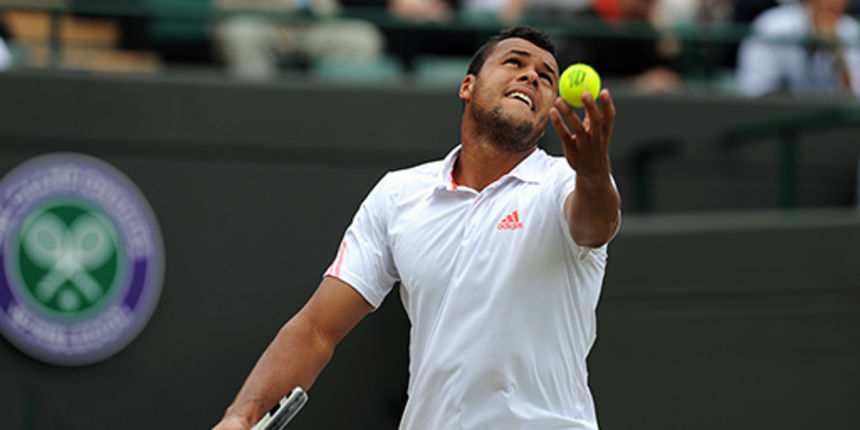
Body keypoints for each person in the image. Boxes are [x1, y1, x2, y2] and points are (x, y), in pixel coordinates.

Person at [212, 25, 621, 430]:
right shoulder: (399, 194)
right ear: (467, 86)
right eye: (514, 62)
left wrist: (594, 174)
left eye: (547, 77)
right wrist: (240, 417)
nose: (532, 76)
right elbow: (317, 328)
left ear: (550, 108)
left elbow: (595, 224)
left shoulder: (568, 181)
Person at [213, 0, 384, 79]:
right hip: (258, 21)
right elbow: (225, 7)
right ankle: (255, 112)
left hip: (307, 25)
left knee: (360, 37)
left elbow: (328, 10)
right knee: (240, 33)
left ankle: (336, 118)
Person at [736, 0, 860, 98]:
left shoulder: (850, 31)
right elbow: (756, 90)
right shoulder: (771, 26)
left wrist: (839, 59)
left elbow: (853, 98)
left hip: (832, 123)